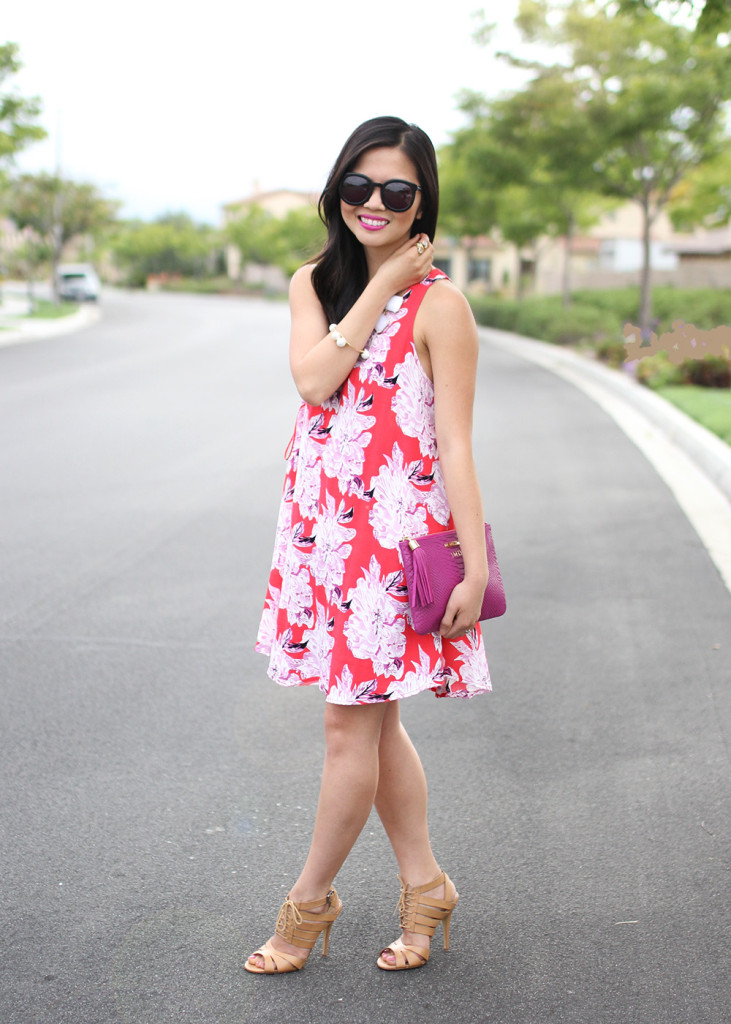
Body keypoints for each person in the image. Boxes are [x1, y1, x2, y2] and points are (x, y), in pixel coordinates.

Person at [247, 116, 491, 975]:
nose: (374, 202)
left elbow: (454, 444)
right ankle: (427, 887)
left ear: (423, 201)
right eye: (359, 185)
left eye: (396, 190)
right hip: (320, 537)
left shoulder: (443, 306)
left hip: (391, 549)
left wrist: (475, 565)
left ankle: (307, 905)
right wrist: (383, 281)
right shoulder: (312, 283)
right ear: (337, 192)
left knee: (346, 727)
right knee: (375, 728)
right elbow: (314, 380)